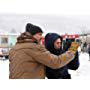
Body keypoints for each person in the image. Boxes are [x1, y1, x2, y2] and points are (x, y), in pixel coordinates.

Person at [9, 23, 79, 79]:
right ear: (32, 35)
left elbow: (74, 66)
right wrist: (72, 50)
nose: (42, 37)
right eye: (39, 34)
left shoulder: (15, 48)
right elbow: (56, 62)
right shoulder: (34, 48)